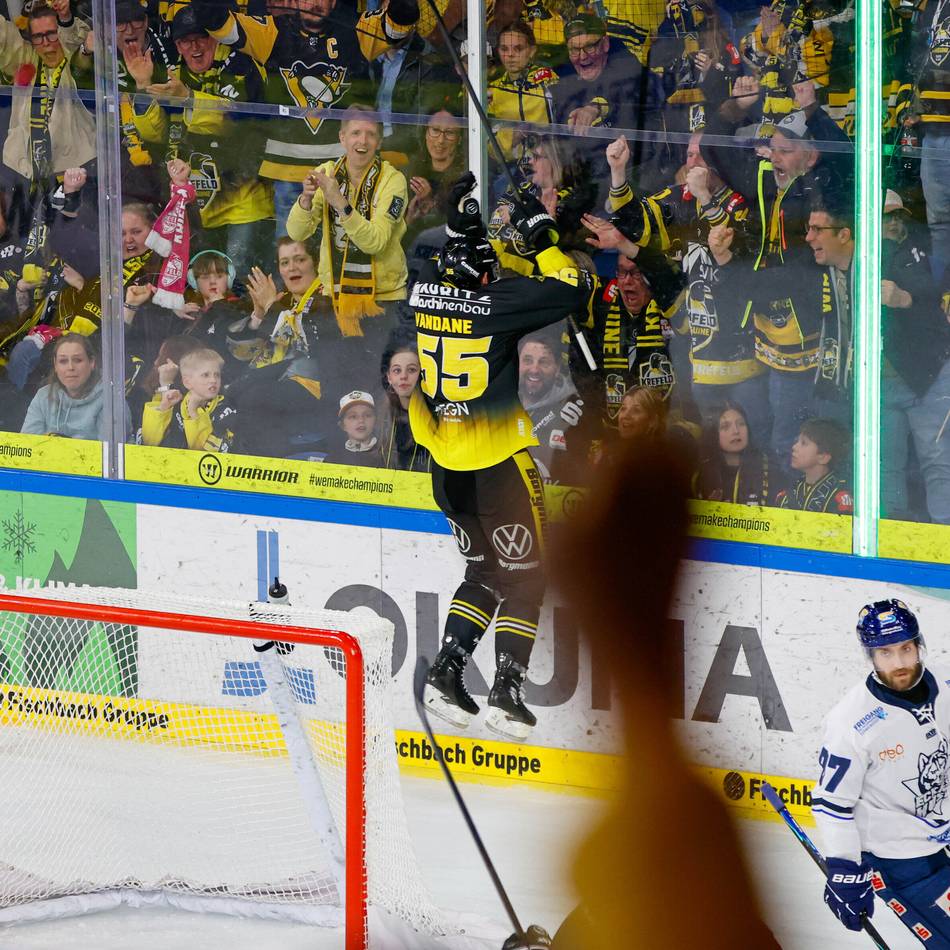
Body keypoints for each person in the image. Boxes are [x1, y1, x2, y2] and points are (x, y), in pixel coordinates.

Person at [416, 172, 592, 740]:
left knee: (484, 571)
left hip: (445, 469)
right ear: (486, 277)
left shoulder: (423, 298)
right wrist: (539, 233)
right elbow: (570, 288)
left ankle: (445, 673)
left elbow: (455, 264)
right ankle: (506, 692)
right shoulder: (496, 304)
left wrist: (463, 227)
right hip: (497, 467)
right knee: (526, 580)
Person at [191, 0, 420, 233]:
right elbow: (216, 22)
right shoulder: (272, 32)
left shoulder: (355, 30)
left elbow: (398, 25)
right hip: (288, 171)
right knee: (292, 252)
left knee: (340, 254)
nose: (313, 3)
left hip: (344, 171)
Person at [812, 600, 950, 945]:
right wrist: (844, 869)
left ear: (919, 646)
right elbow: (832, 803)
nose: (900, 662)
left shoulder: (945, 687)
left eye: (906, 648)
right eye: (886, 652)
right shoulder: (851, 722)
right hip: (901, 858)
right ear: (871, 656)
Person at [286, 105, 408, 363]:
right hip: (334, 298)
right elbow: (297, 232)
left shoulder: (393, 181)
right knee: (336, 383)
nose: (362, 141)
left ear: (379, 141)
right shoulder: (328, 172)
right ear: (342, 138)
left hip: (383, 302)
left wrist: (339, 201)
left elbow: (375, 242)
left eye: (370, 134)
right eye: (355, 133)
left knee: (377, 385)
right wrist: (306, 199)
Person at [21, 333, 127, 439]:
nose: (70, 367)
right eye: (63, 361)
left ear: (92, 362)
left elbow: (107, 452)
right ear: (55, 365)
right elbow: (28, 445)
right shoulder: (43, 396)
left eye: (77, 360)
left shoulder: (111, 400)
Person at [517, 331, 589, 484]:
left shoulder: (572, 408)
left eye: (544, 362)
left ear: (557, 369)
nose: (534, 370)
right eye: (527, 360)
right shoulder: (504, 403)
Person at [140, 346, 238, 452]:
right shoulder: (177, 401)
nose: (213, 380)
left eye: (217, 375)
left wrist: (194, 413)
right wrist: (163, 408)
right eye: (205, 375)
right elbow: (148, 442)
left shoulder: (226, 411)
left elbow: (205, 458)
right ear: (187, 382)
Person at [692, 402, 783, 505]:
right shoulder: (702, 475)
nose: (736, 431)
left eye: (741, 424)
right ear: (713, 432)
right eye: (725, 427)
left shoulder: (769, 470)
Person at [776, 417, 852, 513]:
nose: (794, 447)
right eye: (797, 441)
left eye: (804, 443)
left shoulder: (839, 498)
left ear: (823, 457)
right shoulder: (785, 496)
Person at [378, 329, 429, 471]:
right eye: (397, 370)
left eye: (411, 370)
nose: (403, 376)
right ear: (389, 377)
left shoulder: (433, 416)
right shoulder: (382, 417)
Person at [323, 390, 384, 467]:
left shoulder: (387, 457)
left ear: (376, 421)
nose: (361, 420)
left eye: (367, 415)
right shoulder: (331, 460)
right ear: (342, 425)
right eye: (353, 416)